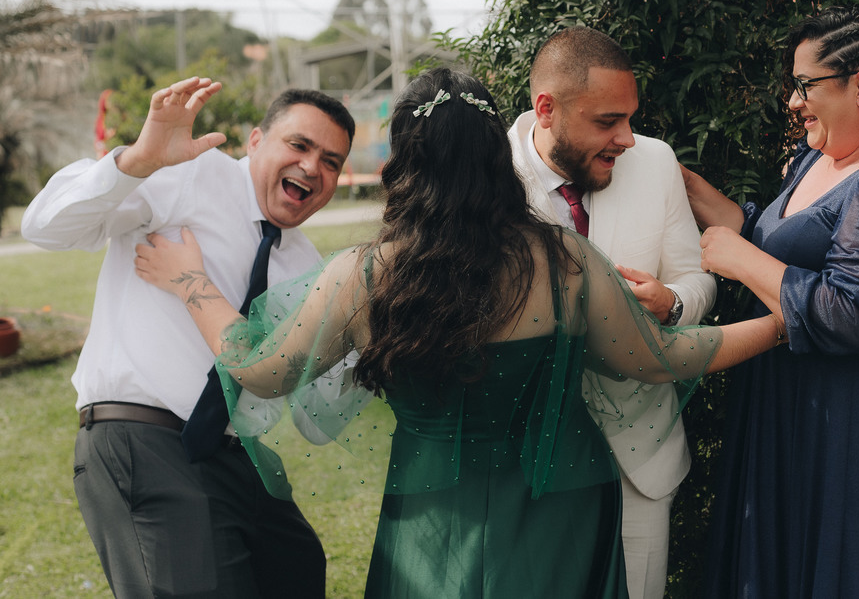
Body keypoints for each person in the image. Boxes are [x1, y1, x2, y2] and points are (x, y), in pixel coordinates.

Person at [131, 67, 784, 599]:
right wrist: (782, 323)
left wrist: (192, 282)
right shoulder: (563, 261)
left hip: (431, 512)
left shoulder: (364, 275)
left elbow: (261, 369)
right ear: (497, 157)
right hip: (564, 503)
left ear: (404, 163)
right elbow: (664, 356)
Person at [21, 77, 355, 599]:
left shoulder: (307, 267)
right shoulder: (188, 174)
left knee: (297, 567)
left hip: (235, 454)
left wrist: (367, 339)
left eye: (331, 161)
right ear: (255, 140)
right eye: (299, 145)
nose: (313, 167)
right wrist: (138, 160)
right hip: (142, 434)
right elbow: (44, 227)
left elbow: (314, 414)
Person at [683, 6, 859, 597]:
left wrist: (738, 260)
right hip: (784, 409)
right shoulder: (817, 158)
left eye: (805, 85)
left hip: (845, 427)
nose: (793, 101)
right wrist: (684, 185)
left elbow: (850, 315)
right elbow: (775, 245)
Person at [507, 26, 716, 599]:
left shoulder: (656, 161)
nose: (626, 138)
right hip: (525, 465)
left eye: (630, 118)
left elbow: (697, 277)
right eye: (607, 121)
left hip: (639, 460)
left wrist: (672, 301)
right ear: (546, 109)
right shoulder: (490, 175)